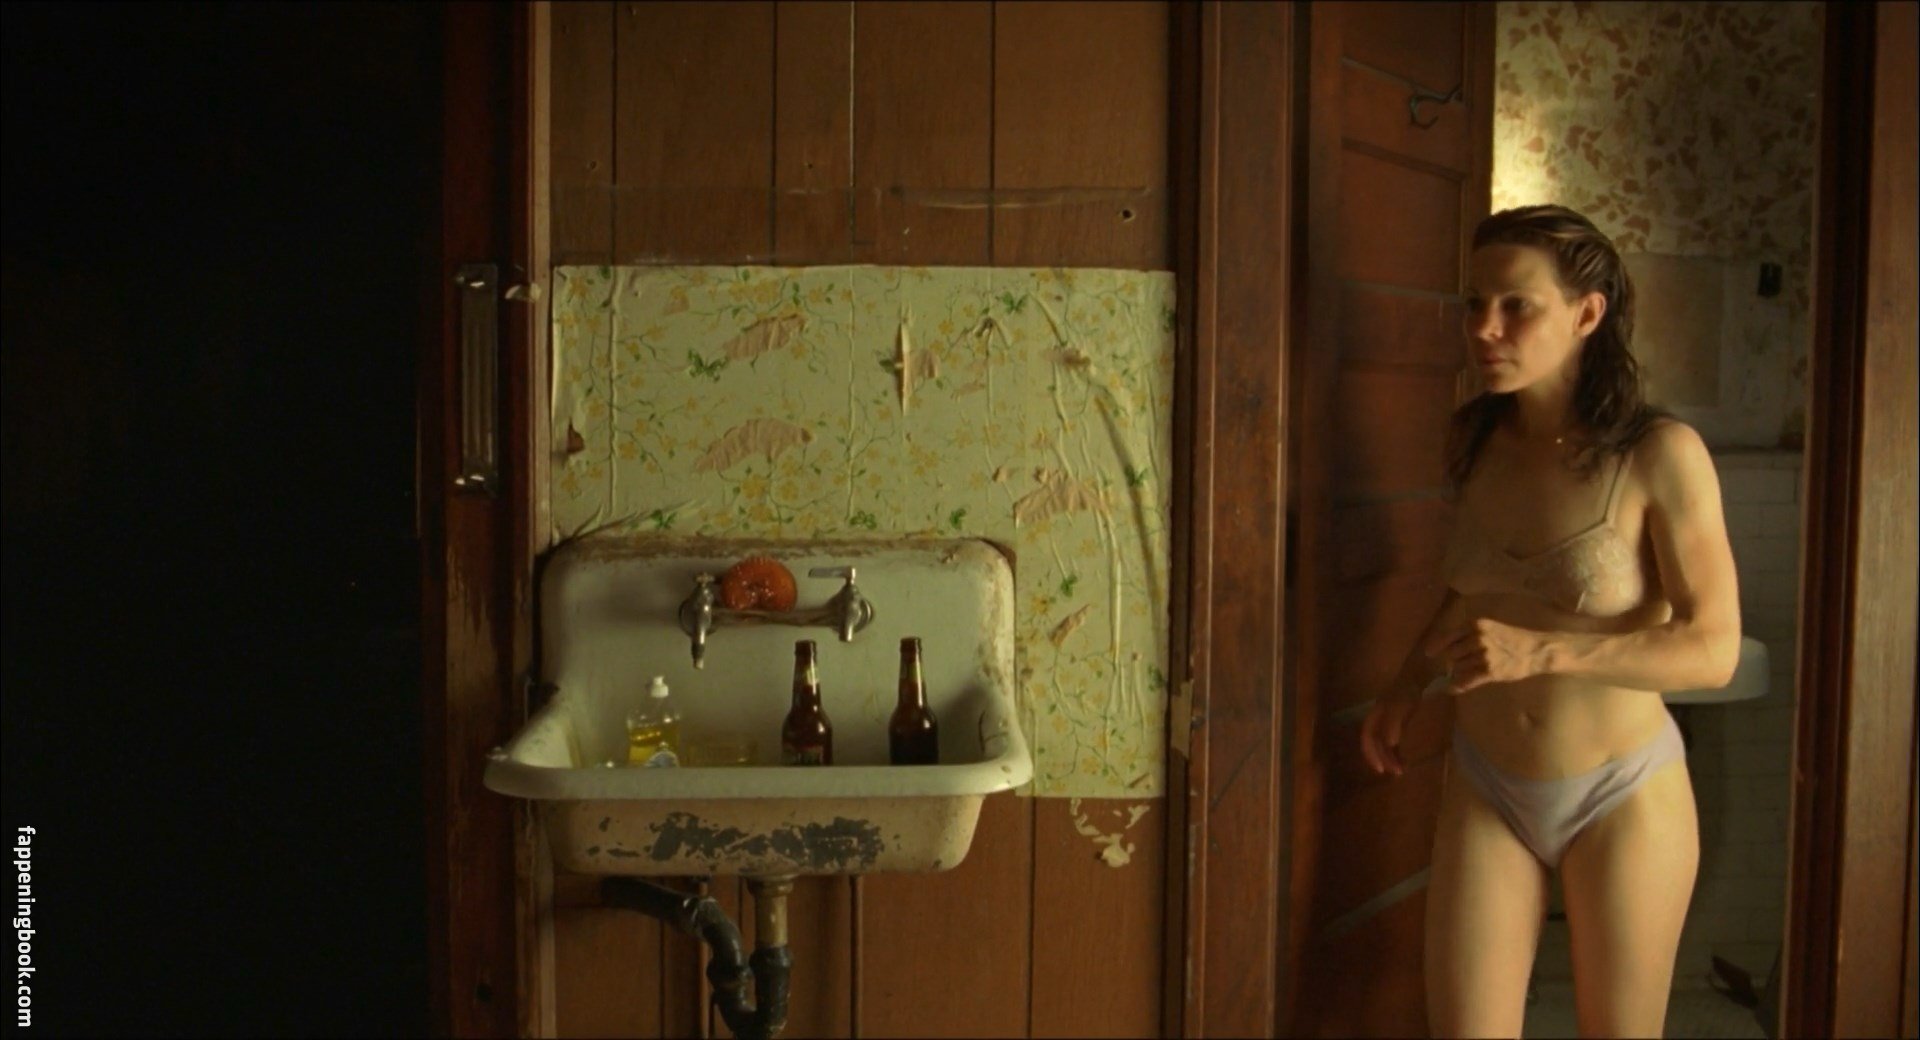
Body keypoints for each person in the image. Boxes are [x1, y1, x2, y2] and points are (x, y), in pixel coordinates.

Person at [1359, 204, 1742, 1038]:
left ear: (1586, 313)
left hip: (1620, 789)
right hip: (1488, 782)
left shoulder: (1659, 454)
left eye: (1516, 306)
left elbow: (1713, 651)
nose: (1484, 327)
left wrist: (1543, 653)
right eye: (1473, 303)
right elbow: (1477, 588)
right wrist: (1406, 682)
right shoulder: (1474, 438)